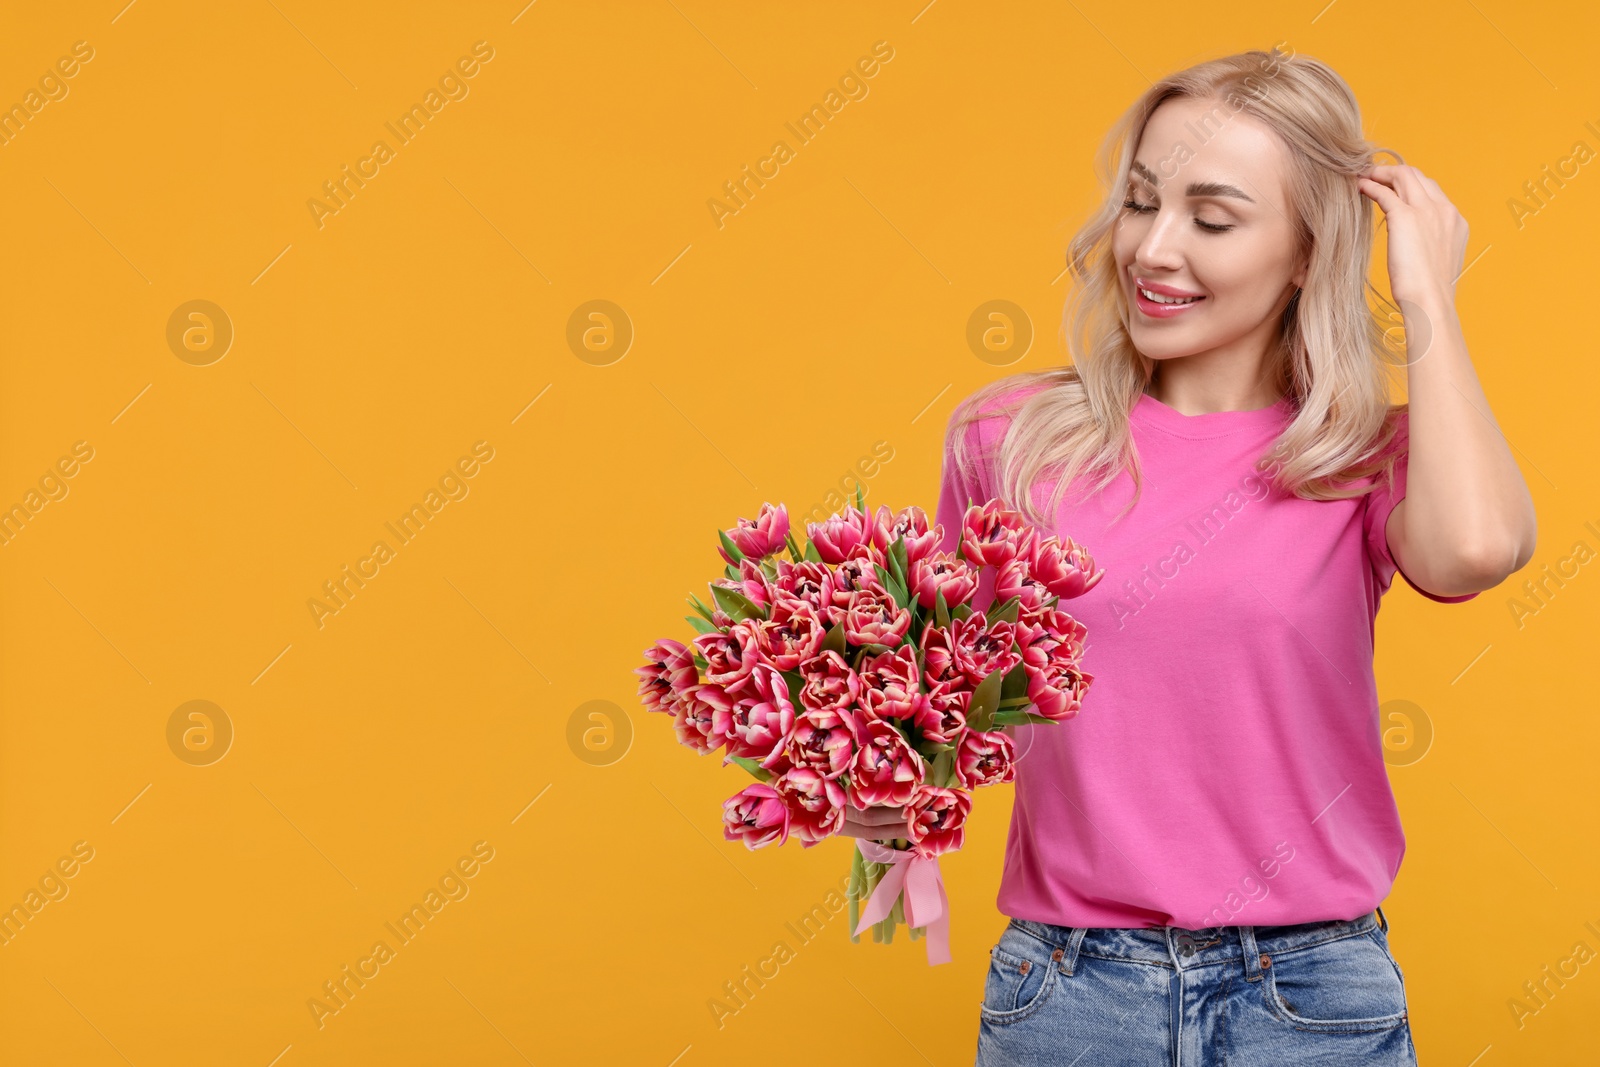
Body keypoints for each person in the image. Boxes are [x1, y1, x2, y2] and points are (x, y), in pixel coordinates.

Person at [840, 45, 1536, 1065]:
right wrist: (860, 765)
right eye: (1138, 203)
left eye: (1211, 218)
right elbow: (943, 707)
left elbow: (1476, 548)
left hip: (1313, 994)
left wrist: (1426, 295)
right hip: (1071, 991)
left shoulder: (1363, 456)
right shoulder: (1010, 439)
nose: (1154, 249)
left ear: (1307, 252)